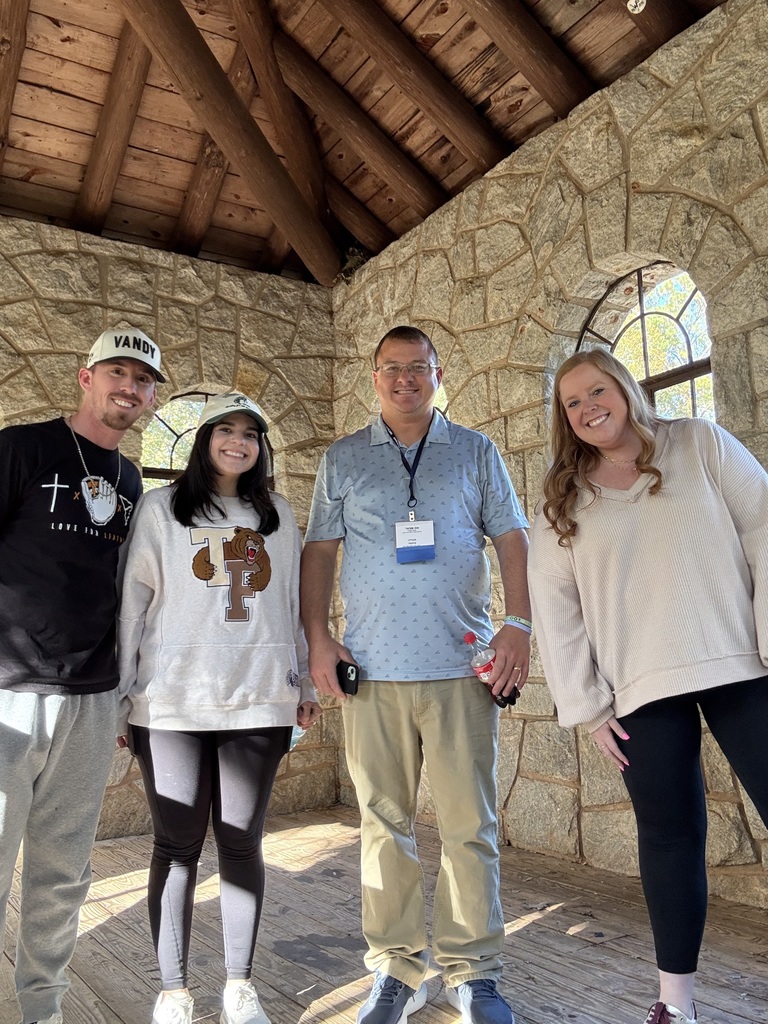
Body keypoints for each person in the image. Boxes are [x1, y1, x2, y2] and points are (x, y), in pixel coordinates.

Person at [528, 348, 768, 1024]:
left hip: (741, 663)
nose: (587, 407)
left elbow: (764, 526)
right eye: (572, 402)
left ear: (626, 388)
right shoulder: (560, 500)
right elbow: (556, 608)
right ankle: (675, 1005)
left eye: (596, 390)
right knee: (670, 837)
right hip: (639, 687)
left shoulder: (700, 444)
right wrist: (586, 706)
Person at [300, 326, 531, 1024]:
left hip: (464, 669)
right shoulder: (343, 460)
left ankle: (472, 973)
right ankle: (397, 969)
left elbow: (513, 537)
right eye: (391, 369)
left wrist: (517, 625)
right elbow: (318, 552)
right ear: (375, 378)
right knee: (381, 825)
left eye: (417, 368)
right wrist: (317, 637)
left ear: (437, 372)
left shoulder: (476, 450)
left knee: (470, 827)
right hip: (370, 673)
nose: (405, 380)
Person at [117, 392, 321, 1024]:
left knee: (240, 842)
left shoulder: (279, 515)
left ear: (262, 448)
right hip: (171, 702)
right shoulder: (160, 511)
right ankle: (173, 990)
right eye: (225, 431)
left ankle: (239, 984)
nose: (239, 443)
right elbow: (132, 604)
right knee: (176, 845)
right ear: (204, 440)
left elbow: (290, 605)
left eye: (251, 434)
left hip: (257, 699)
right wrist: (124, 691)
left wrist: (304, 688)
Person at [0, 327, 163, 1024]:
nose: (128, 387)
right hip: (7, 689)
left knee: (62, 875)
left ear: (152, 397)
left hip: (91, 701)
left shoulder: (132, 482)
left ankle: (42, 1009)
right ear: (85, 377)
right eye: (116, 372)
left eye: (143, 379)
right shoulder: (21, 448)